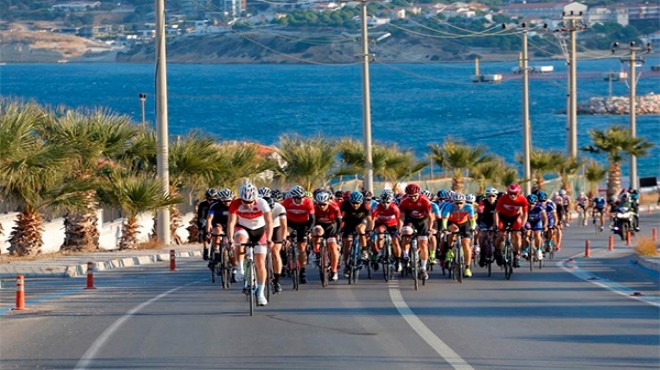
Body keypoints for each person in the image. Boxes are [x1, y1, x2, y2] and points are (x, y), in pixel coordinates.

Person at [226, 182, 273, 306]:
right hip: (244, 228)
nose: (248, 205)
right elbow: (231, 223)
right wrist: (230, 238)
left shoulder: (262, 203)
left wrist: (270, 238)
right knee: (239, 239)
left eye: (250, 202)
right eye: (245, 202)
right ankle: (240, 268)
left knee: (260, 263)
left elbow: (269, 222)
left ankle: (261, 293)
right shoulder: (235, 203)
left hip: (260, 230)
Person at [398, 183, 434, 280]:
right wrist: (399, 229)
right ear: (407, 195)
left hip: (423, 221)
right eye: (410, 196)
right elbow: (401, 217)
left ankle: (423, 268)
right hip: (410, 220)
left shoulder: (425, 200)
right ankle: (405, 256)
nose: (413, 198)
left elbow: (431, 217)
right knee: (406, 233)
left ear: (419, 194)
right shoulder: (404, 201)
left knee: (423, 244)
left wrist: (430, 229)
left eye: (415, 196)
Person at [282, 185, 315, 284]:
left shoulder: (308, 202)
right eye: (297, 198)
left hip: (303, 224)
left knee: (302, 247)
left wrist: (309, 230)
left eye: (301, 198)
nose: (299, 200)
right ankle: (284, 257)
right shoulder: (287, 203)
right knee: (284, 236)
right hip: (290, 223)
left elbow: (312, 219)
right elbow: (282, 217)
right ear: (292, 197)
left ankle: (302, 271)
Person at [440, 192, 476, 277]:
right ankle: (449, 250)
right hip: (453, 223)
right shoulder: (449, 206)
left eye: (461, 203)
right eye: (456, 203)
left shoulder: (468, 207)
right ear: (453, 202)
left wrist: (473, 228)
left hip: (465, 224)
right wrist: (445, 228)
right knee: (453, 231)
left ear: (464, 202)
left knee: (466, 243)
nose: (458, 205)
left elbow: (472, 220)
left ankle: (467, 268)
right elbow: (445, 219)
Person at [494, 183, 528, 268]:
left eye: (514, 194)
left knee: (517, 235)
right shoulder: (503, 198)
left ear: (519, 193)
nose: (512, 196)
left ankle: (516, 256)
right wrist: (496, 224)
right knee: (501, 235)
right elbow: (496, 212)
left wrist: (523, 225)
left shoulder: (522, 200)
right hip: (503, 217)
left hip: (514, 217)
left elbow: (525, 214)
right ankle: (497, 251)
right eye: (510, 194)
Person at [260, 187, 288, 293]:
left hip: (276, 227)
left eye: (270, 210)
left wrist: (284, 238)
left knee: (275, 251)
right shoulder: (257, 207)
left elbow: (284, 226)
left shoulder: (279, 208)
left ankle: (277, 281)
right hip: (261, 227)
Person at [340, 191, 373, 278]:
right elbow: (340, 218)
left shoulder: (366, 206)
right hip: (349, 223)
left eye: (357, 203)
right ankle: (347, 263)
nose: (355, 205)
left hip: (361, 222)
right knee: (347, 242)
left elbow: (370, 220)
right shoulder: (345, 205)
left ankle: (364, 250)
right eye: (353, 203)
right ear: (350, 201)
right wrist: (339, 230)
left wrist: (370, 230)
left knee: (360, 229)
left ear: (361, 202)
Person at [372, 190, 403, 272]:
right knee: (380, 233)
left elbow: (399, 220)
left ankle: (398, 261)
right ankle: (380, 252)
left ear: (391, 201)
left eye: (387, 202)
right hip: (381, 224)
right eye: (383, 202)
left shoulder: (394, 208)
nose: (385, 204)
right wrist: (371, 230)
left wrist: (399, 231)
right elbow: (372, 220)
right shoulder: (377, 207)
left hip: (392, 225)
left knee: (395, 242)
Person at [205, 188, 233, 278]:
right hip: (218, 223)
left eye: (229, 200)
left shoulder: (234, 205)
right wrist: (208, 232)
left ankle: (231, 261)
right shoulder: (215, 205)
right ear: (220, 200)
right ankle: (216, 251)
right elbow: (209, 219)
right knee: (217, 232)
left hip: (230, 224)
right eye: (225, 201)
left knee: (231, 242)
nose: (227, 203)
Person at [477, 187, 498, 267]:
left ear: (496, 197)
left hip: (495, 221)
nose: (491, 198)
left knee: (498, 237)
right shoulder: (483, 202)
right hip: (485, 221)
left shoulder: (498, 203)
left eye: (493, 196)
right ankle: (482, 256)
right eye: (489, 196)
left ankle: (498, 252)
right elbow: (480, 210)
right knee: (482, 236)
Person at [522, 193, 547, 261]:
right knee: (526, 234)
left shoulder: (540, 206)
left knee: (537, 234)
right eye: (529, 203)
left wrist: (545, 225)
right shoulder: (525, 207)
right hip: (528, 221)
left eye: (533, 203)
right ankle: (525, 249)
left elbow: (545, 218)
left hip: (537, 222)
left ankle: (539, 250)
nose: (531, 205)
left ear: (536, 202)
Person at [198, 188, 218, 261]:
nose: (211, 201)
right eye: (209, 199)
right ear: (206, 198)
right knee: (204, 230)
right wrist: (201, 229)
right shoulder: (203, 205)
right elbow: (201, 217)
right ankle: (206, 249)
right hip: (206, 220)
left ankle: (218, 249)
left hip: (216, 220)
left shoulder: (219, 204)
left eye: (213, 200)